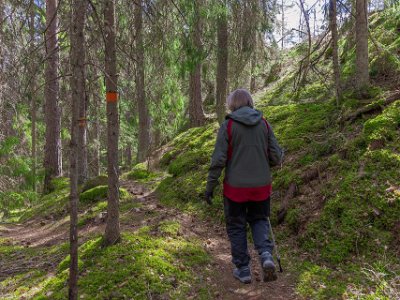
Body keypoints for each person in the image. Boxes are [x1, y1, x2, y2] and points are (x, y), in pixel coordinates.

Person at [205, 89, 283, 284]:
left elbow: (218, 160)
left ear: (232, 104)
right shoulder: (264, 123)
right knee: (259, 220)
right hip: (261, 186)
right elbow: (275, 156)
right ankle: (265, 255)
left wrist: (210, 186)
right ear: (250, 102)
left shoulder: (228, 125)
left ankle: (243, 269)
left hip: (235, 189)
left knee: (236, 226)